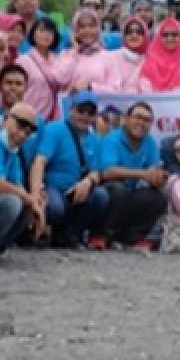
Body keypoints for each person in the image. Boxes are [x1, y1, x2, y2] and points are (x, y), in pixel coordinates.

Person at [31, 91, 109, 248]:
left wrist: (88, 181)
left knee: (101, 196)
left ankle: (69, 233)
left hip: (76, 191)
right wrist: (35, 193)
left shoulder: (94, 139)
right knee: (55, 208)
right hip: (53, 188)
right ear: (71, 109)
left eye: (90, 112)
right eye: (81, 110)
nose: (85, 116)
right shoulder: (54, 129)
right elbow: (40, 161)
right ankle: (45, 230)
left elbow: (96, 171)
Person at [0, 102, 43, 260]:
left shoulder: (11, 147)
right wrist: (29, 198)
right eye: (20, 125)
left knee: (28, 204)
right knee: (13, 202)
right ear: (6, 119)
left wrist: (35, 203)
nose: (23, 134)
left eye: (29, 131)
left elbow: (16, 183)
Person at [100, 101, 168, 250]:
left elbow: (154, 169)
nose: (141, 123)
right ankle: (103, 236)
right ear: (126, 119)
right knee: (118, 189)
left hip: (130, 193)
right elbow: (107, 172)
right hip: (108, 191)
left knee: (159, 196)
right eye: (138, 117)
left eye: (146, 120)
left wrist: (159, 178)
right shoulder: (113, 139)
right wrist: (143, 174)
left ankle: (130, 238)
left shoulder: (149, 142)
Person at [58, 7, 123, 93]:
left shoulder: (109, 57)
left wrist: (91, 86)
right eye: (82, 27)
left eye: (91, 26)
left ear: (98, 29)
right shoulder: (66, 55)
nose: (87, 30)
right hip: (70, 105)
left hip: (98, 106)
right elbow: (60, 80)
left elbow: (116, 90)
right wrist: (75, 51)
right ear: (75, 30)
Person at [18, 18, 63, 121]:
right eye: (42, 31)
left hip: (52, 118)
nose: (46, 35)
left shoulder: (60, 61)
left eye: (50, 32)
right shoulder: (23, 61)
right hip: (28, 117)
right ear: (33, 33)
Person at [140, 16, 180, 93]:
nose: (170, 38)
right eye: (165, 35)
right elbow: (145, 90)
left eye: (174, 34)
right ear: (159, 37)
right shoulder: (149, 61)